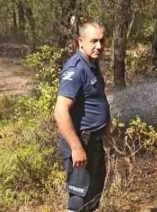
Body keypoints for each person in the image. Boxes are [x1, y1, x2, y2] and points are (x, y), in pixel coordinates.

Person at [54, 21, 111, 211]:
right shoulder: (76, 69)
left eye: (102, 41)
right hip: (81, 143)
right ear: (80, 41)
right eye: (93, 41)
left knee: (93, 197)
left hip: (94, 142)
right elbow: (60, 111)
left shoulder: (92, 65)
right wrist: (76, 148)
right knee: (78, 201)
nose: (99, 46)